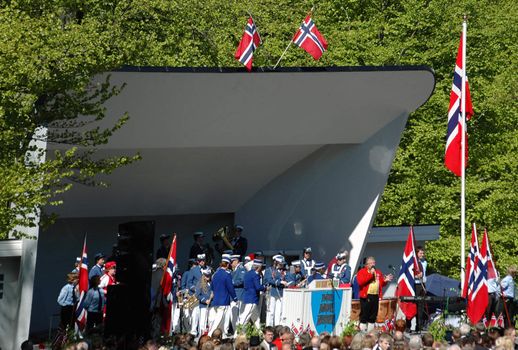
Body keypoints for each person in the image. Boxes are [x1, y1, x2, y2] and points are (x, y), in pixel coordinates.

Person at [356, 256, 393, 331]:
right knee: (364, 316)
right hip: (366, 296)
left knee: (373, 316)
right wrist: (371, 274)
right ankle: (362, 333)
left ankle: (370, 333)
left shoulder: (378, 272)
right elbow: (361, 282)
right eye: (371, 263)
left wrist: (385, 280)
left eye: (374, 263)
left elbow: (381, 284)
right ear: (366, 264)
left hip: (375, 296)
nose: (373, 265)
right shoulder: (362, 272)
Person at [208, 256, 237, 337]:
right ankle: (210, 334)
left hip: (216, 300)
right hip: (223, 300)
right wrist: (235, 298)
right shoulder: (227, 274)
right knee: (219, 319)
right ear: (227, 265)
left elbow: (212, 287)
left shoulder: (215, 274)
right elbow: (230, 288)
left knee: (222, 319)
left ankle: (223, 336)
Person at [238, 259, 265, 328]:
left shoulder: (248, 273)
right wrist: (265, 288)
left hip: (247, 297)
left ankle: (260, 334)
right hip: (252, 298)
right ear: (258, 267)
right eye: (261, 266)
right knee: (246, 316)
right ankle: (238, 332)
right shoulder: (255, 275)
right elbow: (258, 287)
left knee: (256, 318)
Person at [264, 255, 289, 326]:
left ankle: (278, 327)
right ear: (276, 262)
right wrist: (279, 282)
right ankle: (269, 328)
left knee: (279, 312)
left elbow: (287, 279)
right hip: (272, 292)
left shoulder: (284, 271)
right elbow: (268, 280)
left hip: (280, 293)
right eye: (280, 263)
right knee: (270, 312)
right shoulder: (269, 270)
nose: (282, 265)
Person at [191, 267, 212, 337]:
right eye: (206, 275)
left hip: (211, 305)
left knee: (210, 321)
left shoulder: (211, 283)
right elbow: (197, 295)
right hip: (203, 305)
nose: (208, 277)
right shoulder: (200, 283)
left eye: (209, 275)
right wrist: (204, 300)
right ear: (203, 275)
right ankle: (201, 336)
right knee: (203, 322)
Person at [230, 254, 246, 332]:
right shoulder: (235, 269)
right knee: (234, 316)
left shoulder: (241, 269)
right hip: (235, 295)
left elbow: (241, 281)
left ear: (236, 261)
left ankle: (239, 332)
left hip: (239, 295)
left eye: (232, 261)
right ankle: (236, 331)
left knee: (238, 315)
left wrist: (231, 283)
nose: (231, 263)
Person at [414, 246, 427, 331]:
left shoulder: (424, 262)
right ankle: (411, 325)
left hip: (423, 284)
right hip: (416, 284)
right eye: (420, 253)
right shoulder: (414, 262)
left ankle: (420, 325)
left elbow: (425, 273)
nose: (422, 254)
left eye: (423, 253)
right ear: (416, 254)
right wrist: (416, 276)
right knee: (415, 305)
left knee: (422, 306)